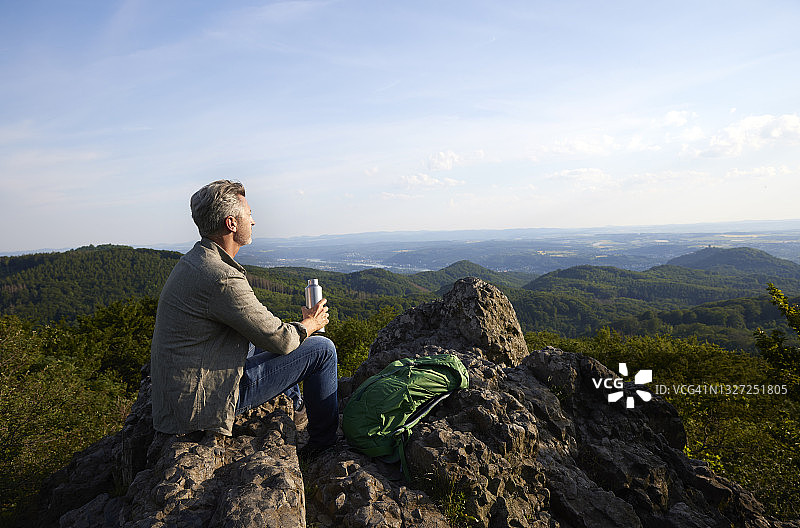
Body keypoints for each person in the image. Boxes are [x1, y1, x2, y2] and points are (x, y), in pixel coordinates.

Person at [150, 180, 338, 455]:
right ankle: (323, 447)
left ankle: (295, 405)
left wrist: (296, 329)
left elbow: (262, 329)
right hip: (202, 405)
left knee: (260, 339)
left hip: (179, 397)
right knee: (322, 349)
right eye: (248, 214)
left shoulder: (194, 261)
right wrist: (311, 323)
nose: (253, 220)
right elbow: (282, 341)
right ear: (231, 223)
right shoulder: (221, 277)